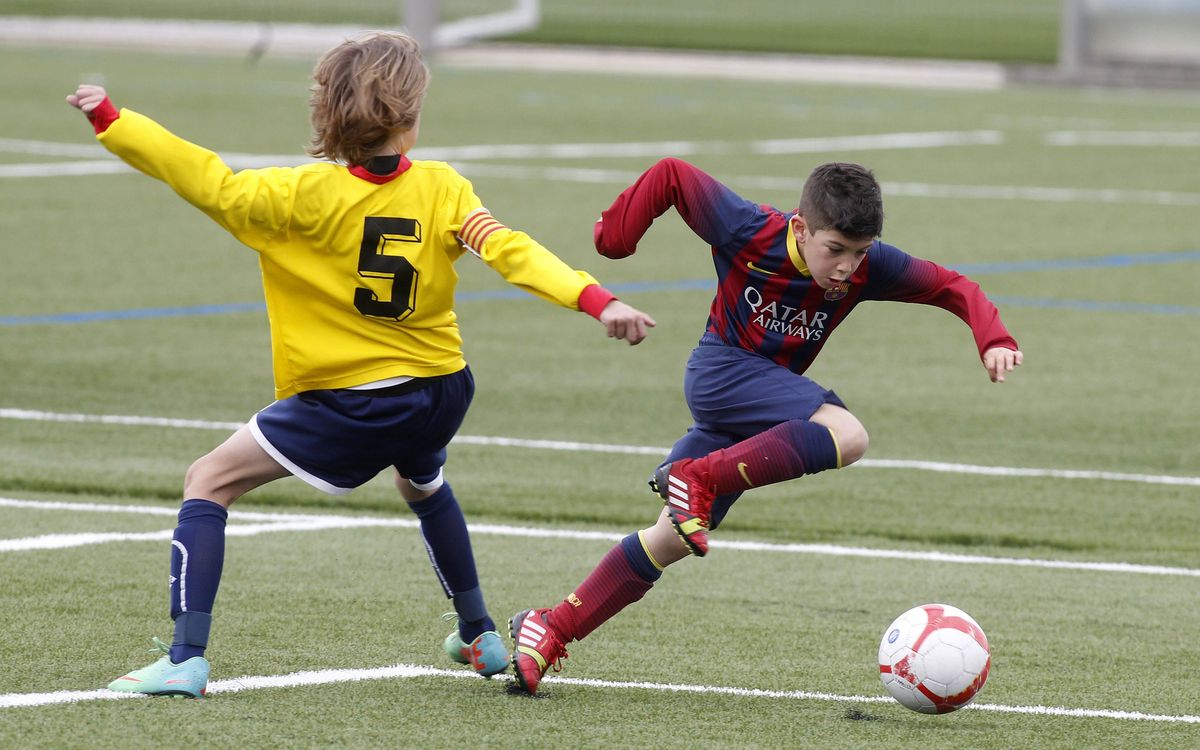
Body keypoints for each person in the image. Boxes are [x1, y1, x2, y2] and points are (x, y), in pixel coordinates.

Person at [66, 30, 656, 699]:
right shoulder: (444, 190)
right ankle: (480, 634)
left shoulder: (294, 195)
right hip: (442, 390)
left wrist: (115, 123)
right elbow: (512, 251)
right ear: (409, 117)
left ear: (327, 114)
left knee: (208, 481)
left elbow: (204, 177)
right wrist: (595, 299)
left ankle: (184, 658)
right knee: (422, 483)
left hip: (358, 402)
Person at [509, 157, 1023, 695]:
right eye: (835, 250)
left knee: (670, 539)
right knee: (849, 435)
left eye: (859, 252)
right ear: (801, 227)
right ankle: (699, 475)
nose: (848, 267)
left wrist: (993, 337)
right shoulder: (748, 229)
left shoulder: (868, 267)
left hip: (757, 409)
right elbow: (673, 175)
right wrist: (616, 234)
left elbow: (952, 286)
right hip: (721, 373)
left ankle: (551, 627)